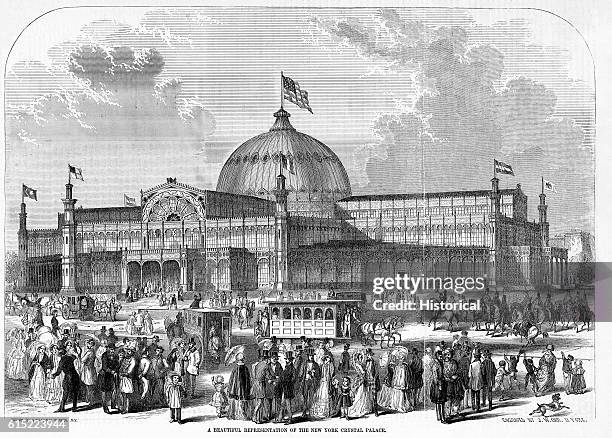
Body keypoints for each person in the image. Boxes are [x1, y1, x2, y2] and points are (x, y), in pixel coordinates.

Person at [51, 347, 80, 412]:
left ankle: (62, 408)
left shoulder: (62, 360)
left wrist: (54, 375)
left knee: (65, 392)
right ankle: (74, 408)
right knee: (75, 392)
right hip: (75, 376)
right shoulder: (71, 357)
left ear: (60, 354)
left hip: (69, 377)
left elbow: (59, 371)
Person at [227, 352, 252, 420]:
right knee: (242, 400)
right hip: (243, 388)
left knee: (237, 400)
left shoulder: (235, 368)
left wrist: (231, 388)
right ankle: (242, 414)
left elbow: (231, 380)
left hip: (236, 388)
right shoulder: (245, 368)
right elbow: (248, 379)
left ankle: (237, 414)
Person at [311, 354, 335, 419]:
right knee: (320, 395)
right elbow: (319, 373)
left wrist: (329, 378)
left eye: (329, 361)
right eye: (327, 360)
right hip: (322, 382)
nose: (328, 362)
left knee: (326, 395)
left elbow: (332, 374)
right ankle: (320, 412)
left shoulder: (330, 366)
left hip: (327, 382)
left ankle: (327, 412)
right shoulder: (321, 366)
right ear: (324, 360)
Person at [252, 349, 271, 423]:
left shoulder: (256, 365)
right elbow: (268, 376)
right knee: (260, 402)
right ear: (266, 359)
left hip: (256, 384)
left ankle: (258, 417)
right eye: (268, 359)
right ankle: (255, 417)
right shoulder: (266, 366)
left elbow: (254, 375)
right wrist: (274, 378)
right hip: (260, 385)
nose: (268, 360)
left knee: (259, 402)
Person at [277, 351, 296, 424]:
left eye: (288, 359)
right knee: (282, 403)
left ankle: (290, 419)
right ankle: (280, 418)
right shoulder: (286, 367)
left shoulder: (292, 368)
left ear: (291, 360)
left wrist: (287, 381)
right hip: (284, 388)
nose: (287, 360)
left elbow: (294, 379)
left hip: (288, 388)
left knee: (288, 404)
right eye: (287, 359)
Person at [98, 343, 118, 413]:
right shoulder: (104, 355)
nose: (112, 351)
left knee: (113, 390)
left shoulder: (115, 356)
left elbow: (116, 365)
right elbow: (105, 367)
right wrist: (112, 371)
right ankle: (105, 407)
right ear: (108, 349)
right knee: (104, 392)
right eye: (111, 349)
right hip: (104, 376)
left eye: (113, 349)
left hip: (111, 376)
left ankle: (113, 404)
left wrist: (115, 370)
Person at [117, 349, 137, 414]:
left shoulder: (133, 360)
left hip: (128, 379)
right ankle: (123, 407)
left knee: (127, 394)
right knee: (123, 394)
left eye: (129, 351)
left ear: (132, 352)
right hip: (122, 378)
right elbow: (120, 368)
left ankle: (127, 408)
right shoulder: (124, 359)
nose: (127, 352)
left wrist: (123, 373)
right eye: (127, 351)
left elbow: (130, 371)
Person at [430, 350, 447, 424]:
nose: (442, 357)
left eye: (442, 356)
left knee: (440, 402)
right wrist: (439, 385)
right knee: (439, 401)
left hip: (441, 383)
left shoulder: (441, 363)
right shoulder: (435, 364)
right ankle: (441, 418)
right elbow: (435, 377)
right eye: (440, 356)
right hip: (437, 385)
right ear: (437, 356)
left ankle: (440, 417)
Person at [363, 348, 381, 416]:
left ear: (371, 355)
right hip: (367, 380)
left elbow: (376, 372)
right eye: (367, 355)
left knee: (374, 395)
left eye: (368, 355)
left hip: (373, 380)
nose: (367, 356)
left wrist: (374, 378)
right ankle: (369, 409)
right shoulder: (365, 362)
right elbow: (365, 371)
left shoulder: (374, 362)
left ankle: (376, 410)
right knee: (367, 395)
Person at [265, 352, 283, 419]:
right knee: (269, 401)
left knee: (278, 401)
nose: (274, 359)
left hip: (277, 386)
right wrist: (274, 379)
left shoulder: (279, 365)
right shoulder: (267, 366)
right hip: (269, 386)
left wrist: (275, 380)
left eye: (275, 358)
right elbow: (267, 375)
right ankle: (269, 415)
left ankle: (278, 415)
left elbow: (281, 375)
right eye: (273, 358)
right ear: (270, 358)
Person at [81, 339, 98, 405]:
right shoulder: (93, 351)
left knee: (89, 385)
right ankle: (89, 399)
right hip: (91, 369)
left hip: (88, 370)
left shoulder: (89, 352)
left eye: (89, 344)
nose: (88, 345)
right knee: (90, 385)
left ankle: (90, 400)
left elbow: (83, 360)